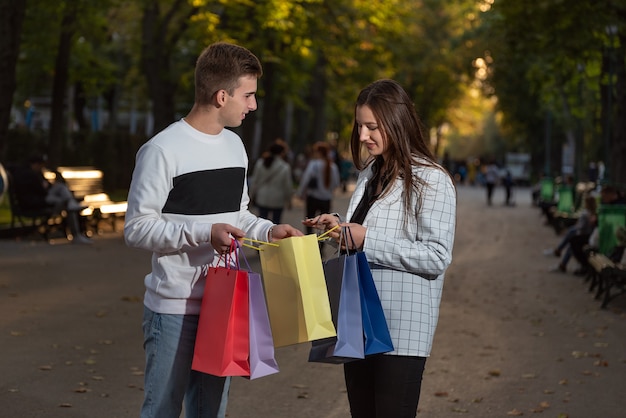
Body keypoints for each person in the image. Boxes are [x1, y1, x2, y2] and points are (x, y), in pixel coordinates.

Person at [123, 42, 303, 418]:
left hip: (225, 305)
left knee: (211, 411)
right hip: (173, 308)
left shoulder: (235, 146)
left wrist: (270, 232)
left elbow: (238, 215)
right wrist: (205, 232)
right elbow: (137, 229)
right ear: (222, 96)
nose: (253, 105)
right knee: (162, 410)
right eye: (248, 95)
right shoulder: (161, 149)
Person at [303, 79, 456, 417]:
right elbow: (372, 228)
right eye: (359, 126)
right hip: (357, 322)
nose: (362, 136)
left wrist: (366, 238)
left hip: (400, 330)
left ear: (397, 123)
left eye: (372, 126)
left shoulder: (433, 180)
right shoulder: (372, 171)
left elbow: (436, 256)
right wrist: (340, 228)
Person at [11, 155, 92, 244]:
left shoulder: (33, 173)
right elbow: (40, 191)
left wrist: (47, 186)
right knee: (66, 202)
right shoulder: (27, 175)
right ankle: (76, 235)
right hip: (36, 203)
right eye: (40, 165)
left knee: (62, 191)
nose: (41, 168)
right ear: (35, 164)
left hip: (42, 199)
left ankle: (71, 203)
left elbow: (44, 188)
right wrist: (45, 186)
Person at [297, 141, 340, 234]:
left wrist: (300, 192)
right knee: (324, 223)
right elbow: (336, 183)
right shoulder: (333, 166)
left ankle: (309, 240)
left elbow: (305, 179)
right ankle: (321, 244)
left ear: (319, 152)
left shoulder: (313, 164)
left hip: (313, 197)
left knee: (309, 221)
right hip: (326, 199)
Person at [545, 195, 597, 273]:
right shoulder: (591, 213)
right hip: (587, 236)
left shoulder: (586, 214)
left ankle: (559, 254)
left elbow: (582, 227)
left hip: (587, 237)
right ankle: (561, 261)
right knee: (571, 239)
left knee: (572, 234)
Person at [248, 141, 293, 223]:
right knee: (276, 223)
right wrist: (289, 200)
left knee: (261, 222)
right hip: (278, 199)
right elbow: (287, 186)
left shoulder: (260, 163)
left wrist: (251, 195)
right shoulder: (285, 167)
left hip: (262, 197)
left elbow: (255, 181)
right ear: (282, 153)